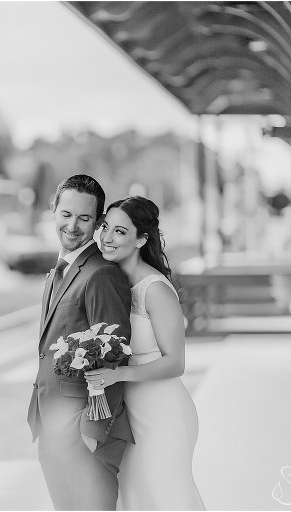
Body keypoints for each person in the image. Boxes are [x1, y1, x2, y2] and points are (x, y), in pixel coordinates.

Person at [85, 196, 205, 510]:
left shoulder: (155, 289)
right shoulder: (110, 282)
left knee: (166, 498)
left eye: (120, 232)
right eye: (106, 228)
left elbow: (175, 362)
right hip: (129, 416)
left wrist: (117, 374)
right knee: (136, 500)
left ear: (141, 238)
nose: (107, 238)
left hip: (162, 414)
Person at [27, 174, 133, 510]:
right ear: (53, 211)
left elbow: (116, 354)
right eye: (66, 215)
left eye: (84, 218)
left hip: (83, 434)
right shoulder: (57, 272)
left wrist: (90, 433)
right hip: (51, 425)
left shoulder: (101, 274)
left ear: (99, 222)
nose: (73, 226)